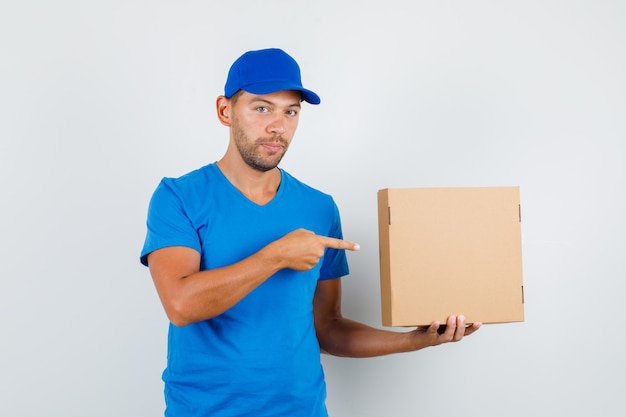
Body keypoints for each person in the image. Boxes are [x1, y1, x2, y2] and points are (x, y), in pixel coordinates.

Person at [140, 48, 481, 417]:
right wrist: (276, 256)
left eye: (291, 111)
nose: (278, 126)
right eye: (261, 108)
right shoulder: (178, 196)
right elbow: (180, 305)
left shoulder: (319, 208)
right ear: (225, 111)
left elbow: (328, 328)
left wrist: (414, 340)